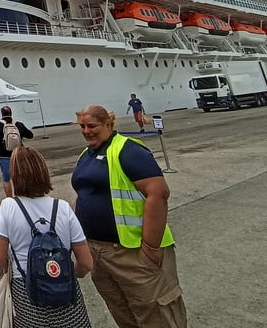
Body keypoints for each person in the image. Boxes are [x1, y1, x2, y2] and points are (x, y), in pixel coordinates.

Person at [71, 105, 186, 328]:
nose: (86, 131)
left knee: (156, 313)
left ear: (108, 124)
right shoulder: (86, 154)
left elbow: (159, 193)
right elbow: (84, 194)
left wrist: (150, 248)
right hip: (99, 253)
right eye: (82, 127)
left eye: (92, 126)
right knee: (123, 314)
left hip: (131, 251)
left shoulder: (129, 150)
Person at [0, 146, 94, 328]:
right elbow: (86, 262)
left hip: (25, 289)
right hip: (65, 291)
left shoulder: (8, 207)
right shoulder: (63, 208)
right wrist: (67, 275)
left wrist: (12, 269)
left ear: (15, 175)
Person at [0, 105, 34, 198]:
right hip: (18, 154)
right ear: (11, 113)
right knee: (20, 176)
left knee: (6, 179)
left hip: (4, 155)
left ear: (1, 114)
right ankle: (22, 196)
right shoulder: (18, 124)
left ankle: (10, 198)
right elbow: (30, 135)